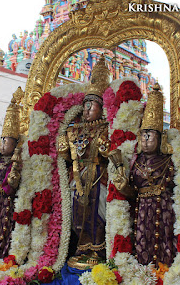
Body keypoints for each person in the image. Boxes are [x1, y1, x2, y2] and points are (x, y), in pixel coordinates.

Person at [111, 84, 180, 283]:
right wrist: (122, 186)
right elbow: (131, 194)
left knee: (165, 248)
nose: (145, 140)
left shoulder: (171, 160)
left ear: (160, 138)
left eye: (150, 135)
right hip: (141, 214)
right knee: (141, 250)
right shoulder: (134, 160)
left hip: (166, 212)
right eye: (143, 135)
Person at [58, 54, 110, 267]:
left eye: (93, 105)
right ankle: (80, 247)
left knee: (98, 213)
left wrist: (105, 148)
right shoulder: (73, 129)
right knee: (76, 213)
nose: (88, 109)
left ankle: (98, 251)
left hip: (98, 174)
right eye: (86, 105)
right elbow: (65, 157)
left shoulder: (106, 128)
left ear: (101, 108)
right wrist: (62, 146)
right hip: (77, 175)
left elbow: (110, 154)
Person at [0, 88, 23, 259]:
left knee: (4, 228)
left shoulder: (14, 162)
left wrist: (15, 165)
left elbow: (11, 186)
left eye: (6, 141)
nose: (2, 145)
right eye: (2, 141)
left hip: (6, 201)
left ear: (15, 144)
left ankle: (3, 254)